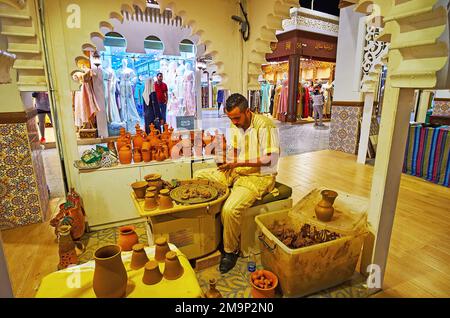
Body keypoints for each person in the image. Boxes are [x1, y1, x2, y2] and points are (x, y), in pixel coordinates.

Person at [194, 93, 280, 273]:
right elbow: (234, 152)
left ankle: (230, 251)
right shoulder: (234, 125)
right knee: (199, 176)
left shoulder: (264, 125)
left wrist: (238, 163)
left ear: (247, 111)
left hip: (259, 177)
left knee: (230, 209)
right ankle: (211, 228)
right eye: (230, 118)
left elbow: (271, 158)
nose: (233, 122)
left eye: (236, 118)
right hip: (236, 171)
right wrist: (224, 160)